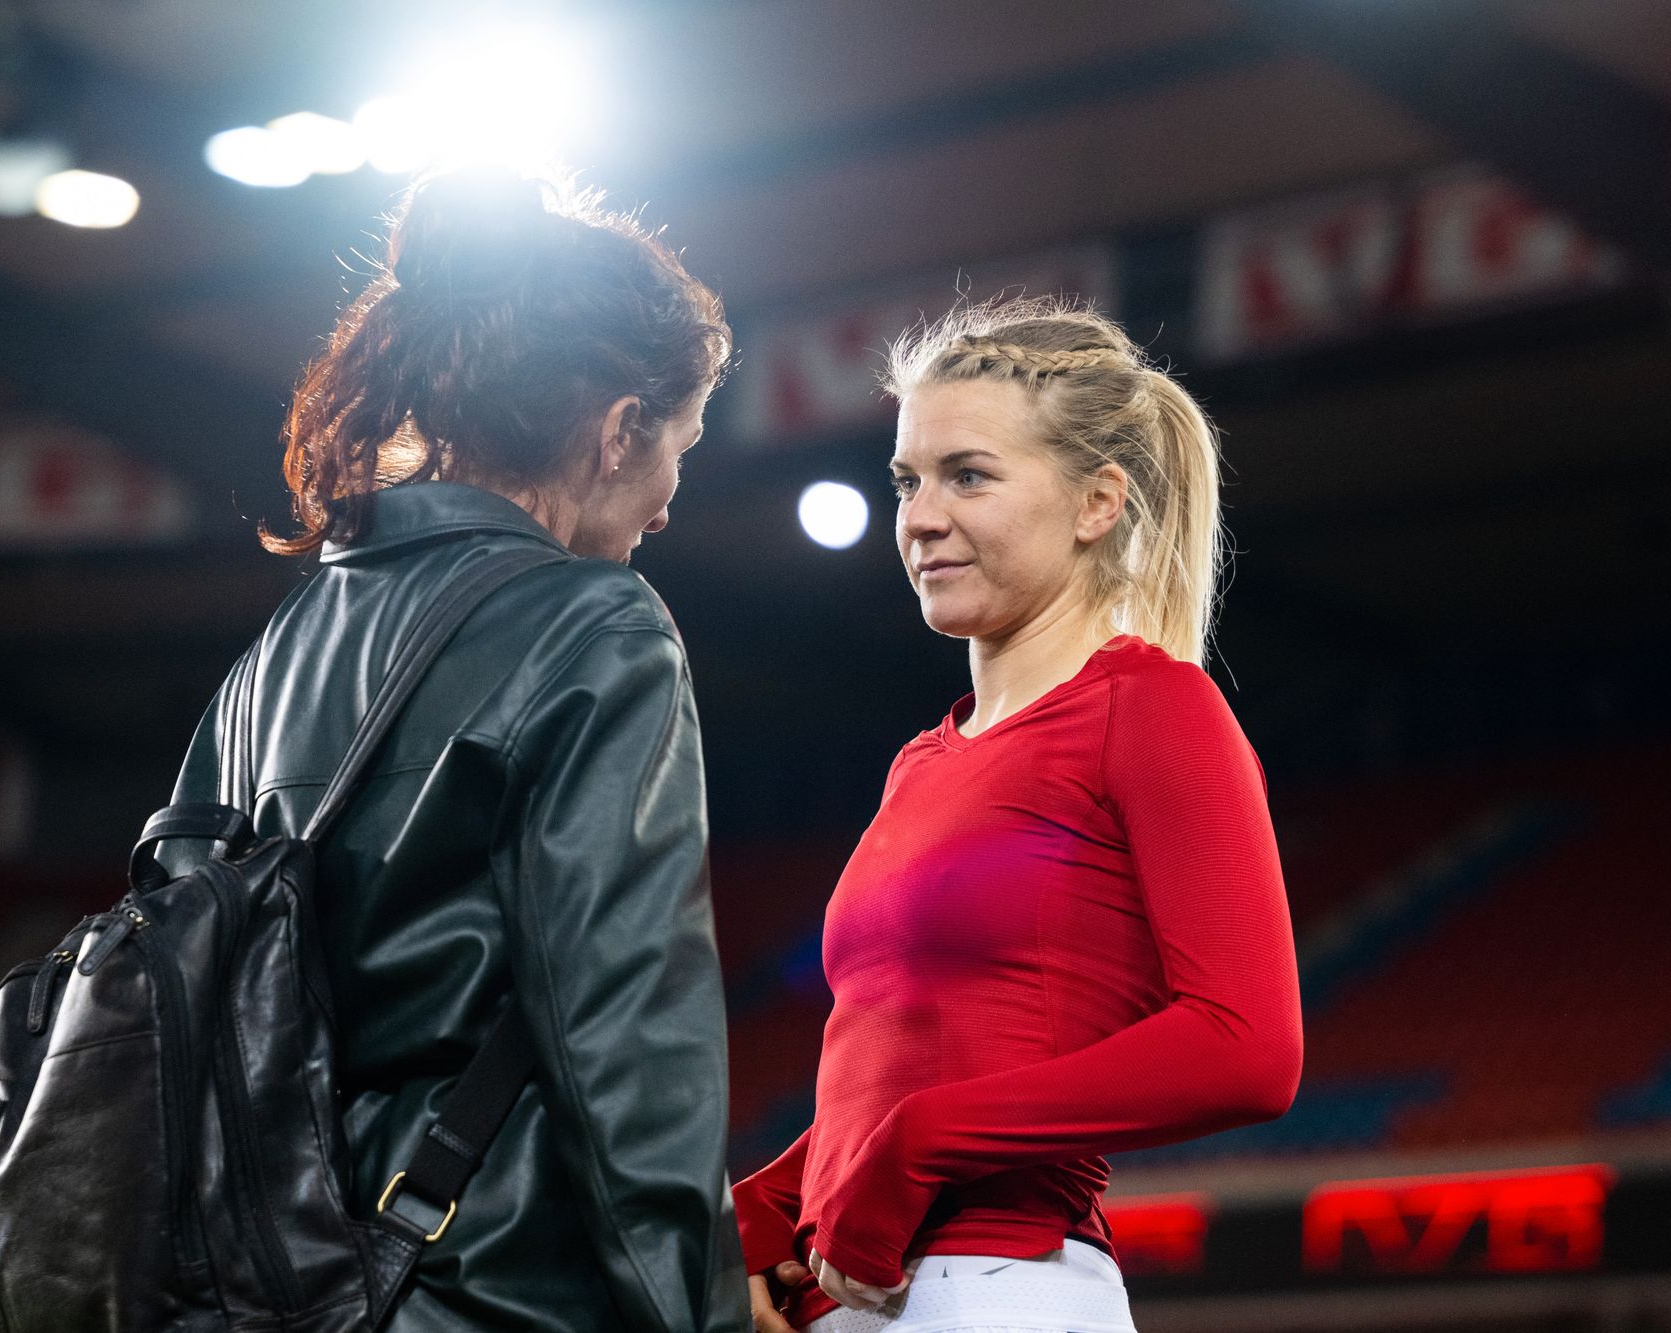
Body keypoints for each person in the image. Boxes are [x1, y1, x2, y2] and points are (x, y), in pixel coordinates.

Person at [164, 165, 748, 1332]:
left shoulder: (268, 657)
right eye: (677, 444)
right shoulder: (597, 622)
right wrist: (697, 1314)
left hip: (270, 1280)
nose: (670, 502)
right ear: (616, 427)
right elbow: (624, 1033)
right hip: (490, 1283)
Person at [733, 297, 1303, 1333]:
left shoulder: (1153, 707)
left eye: (968, 475)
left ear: (1096, 502)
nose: (918, 515)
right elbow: (911, 1051)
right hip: (857, 1297)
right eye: (907, 478)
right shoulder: (921, 758)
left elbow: (1246, 1047)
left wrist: (914, 1147)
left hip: (1003, 1288)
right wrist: (762, 1212)